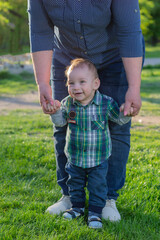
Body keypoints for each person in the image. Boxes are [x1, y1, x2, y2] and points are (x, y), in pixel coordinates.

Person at [27, 0, 145, 222]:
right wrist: (43, 84)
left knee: (118, 124)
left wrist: (134, 88)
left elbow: (129, 31)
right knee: (62, 125)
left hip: (115, 56)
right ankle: (70, 195)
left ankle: (108, 198)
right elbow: (40, 32)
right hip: (68, 58)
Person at [49, 58, 132, 228]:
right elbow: (60, 123)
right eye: (71, 83)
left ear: (95, 83)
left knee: (98, 186)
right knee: (75, 184)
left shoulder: (106, 103)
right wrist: (55, 111)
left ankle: (95, 213)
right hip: (75, 157)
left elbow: (118, 119)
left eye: (81, 82)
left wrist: (127, 112)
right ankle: (77, 207)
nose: (76, 87)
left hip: (98, 159)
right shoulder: (68, 103)